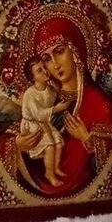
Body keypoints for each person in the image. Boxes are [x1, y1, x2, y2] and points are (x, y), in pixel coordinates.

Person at [12, 14, 112, 196]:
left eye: (59, 51)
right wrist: (18, 145)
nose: (54, 64)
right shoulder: (45, 96)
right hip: (35, 183)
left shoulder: (98, 103)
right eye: (46, 58)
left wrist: (87, 139)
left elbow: (110, 165)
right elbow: (17, 133)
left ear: (74, 52)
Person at [18, 58, 71, 186]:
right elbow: (38, 114)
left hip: (44, 123)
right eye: (39, 70)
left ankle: (56, 168)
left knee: (58, 143)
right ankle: (49, 174)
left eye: (44, 68)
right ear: (33, 77)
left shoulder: (50, 89)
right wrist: (57, 109)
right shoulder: (30, 94)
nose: (45, 71)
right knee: (49, 146)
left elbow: (54, 99)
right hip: (32, 125)